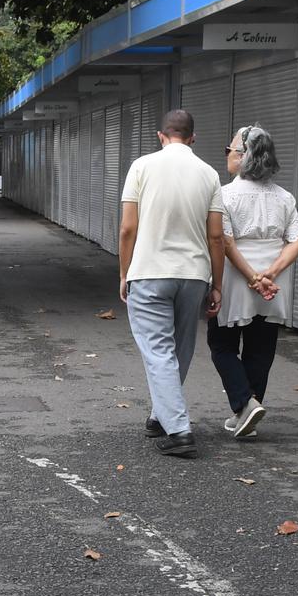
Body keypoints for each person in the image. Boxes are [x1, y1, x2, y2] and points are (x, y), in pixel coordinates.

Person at [119, 108, 224, 459]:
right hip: (193, 274)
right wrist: (216, 284)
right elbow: (216, 236)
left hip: (150, 271)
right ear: (193, 137)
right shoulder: (209, 174)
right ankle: (159, 416)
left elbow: (127, 229)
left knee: (159, 351)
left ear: (161, 135)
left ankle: (179, 430)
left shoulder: (142, 166)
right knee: (180, 349)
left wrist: (123, 272)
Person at [210, 126, 298, 438]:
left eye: (230, 150)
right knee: (261, 347)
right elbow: (297, 241)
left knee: (221, 344)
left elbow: (225, 242)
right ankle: (249, 410)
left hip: (238, 278)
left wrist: (253, 277)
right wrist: (271, 274)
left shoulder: (225, 195)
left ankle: (244, 403)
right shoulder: (284, 197)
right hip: (274, 282)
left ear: (242, 156)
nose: (227, 155)